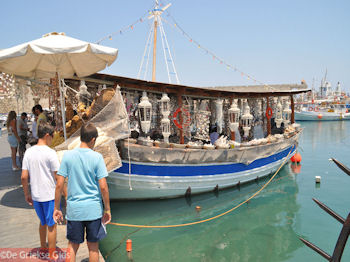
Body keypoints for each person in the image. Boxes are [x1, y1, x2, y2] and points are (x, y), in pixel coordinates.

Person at [53, 123, 111, 262]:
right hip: (93, 210)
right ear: (92, 140)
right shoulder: (97, 158)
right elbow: (103, 187)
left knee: (72, 246)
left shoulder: (68, 156)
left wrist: (56, 208)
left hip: (74, 211)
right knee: (93, 247)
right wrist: (107, 209)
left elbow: (59, 184)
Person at [21, 122, 59, 258]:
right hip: (49, 195)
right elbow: (57, 177)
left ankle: (43, 247)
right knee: (52, 225)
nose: (53, 138)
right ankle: (52, 254)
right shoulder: (51, 153)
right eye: (53, 135)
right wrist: (65, 195)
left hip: (36, 195)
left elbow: (24, 177)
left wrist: (26, 194)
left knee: (43, 222)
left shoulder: (29, 152)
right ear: (47, 135)